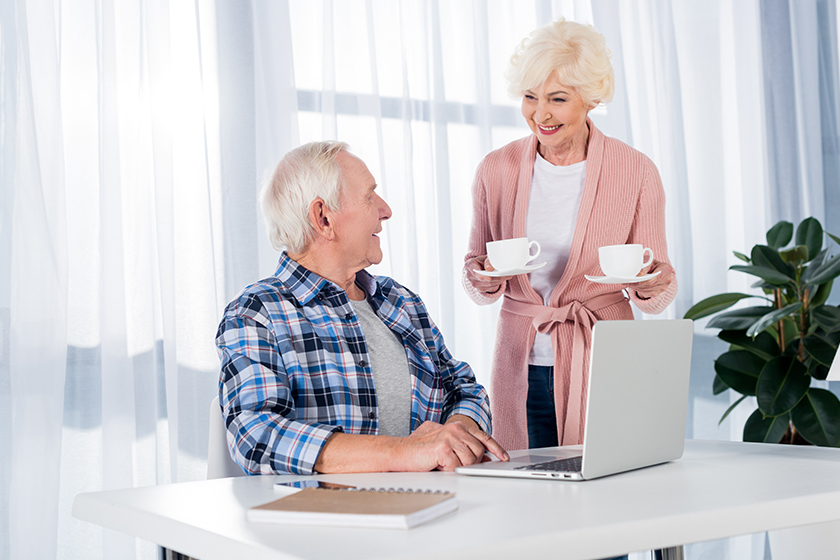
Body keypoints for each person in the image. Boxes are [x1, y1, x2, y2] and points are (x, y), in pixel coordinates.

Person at [216, 141, 508, 475]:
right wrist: (405, 452)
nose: (385, 210)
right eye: (369, 196)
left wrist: (457, 432)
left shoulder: (400, 301)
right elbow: (257, 435)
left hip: (429, 505)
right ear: (323, 218)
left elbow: (463, 389)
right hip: (324, 519)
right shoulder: (257, 313)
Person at [463, 18, 678, 453]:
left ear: (591, 99)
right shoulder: (496, 169)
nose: (540, 114)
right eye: (529, 97)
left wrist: (652, 283)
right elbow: (475, 272)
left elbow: (658, 287)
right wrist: (484, 278)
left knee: (609, 491)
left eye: (557, 99)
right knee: (526, 494)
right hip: (519, 362)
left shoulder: (635, 171)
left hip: (605, 359)